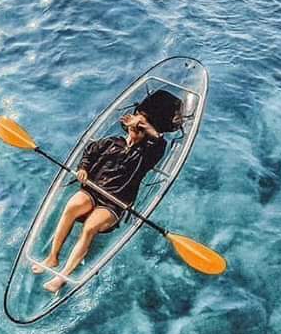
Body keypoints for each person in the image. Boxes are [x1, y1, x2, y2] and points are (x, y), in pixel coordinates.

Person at [35, 90, 182, 292]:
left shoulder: (148, 154)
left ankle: (62, 278)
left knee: (89, 227)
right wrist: (83, 168)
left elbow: (159, 141)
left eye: (140, 129)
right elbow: (90, 152)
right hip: (93, 192)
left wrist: (145, 125)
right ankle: (52, 257)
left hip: (115, 203)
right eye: (133, 127)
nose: (134, 131)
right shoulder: (112, 142)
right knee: (71, 206)